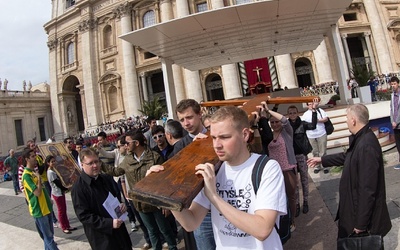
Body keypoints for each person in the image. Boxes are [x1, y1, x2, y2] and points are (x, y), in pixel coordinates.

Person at [148, 106, 287, 249]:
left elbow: (262, 229)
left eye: (225, 137)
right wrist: (165, 191)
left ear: (245, 135)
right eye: (213, 138)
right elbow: (191, 222)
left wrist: (214, 197)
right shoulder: (214, 169)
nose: (217, 145)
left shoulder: (267, 168)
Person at [307, 104, 392, 241]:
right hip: (353, 209)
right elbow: (348, 157)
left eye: (347, 118)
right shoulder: (361, 138)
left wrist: (360, 224)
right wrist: (322, 159)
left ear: (353, 120)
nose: (346, 121)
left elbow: (367, 189)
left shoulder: (366, 145)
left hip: (361, 218)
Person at [104, 130, 177, 250]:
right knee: (152, 231)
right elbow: (116, 171)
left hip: (156, 202)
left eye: (127, 143)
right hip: (140, 203)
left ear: (136, 143)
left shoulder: (154, 157)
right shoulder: (128, 160)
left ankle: (173, 247)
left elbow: (164, 181)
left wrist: (165, 204)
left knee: (165, 230)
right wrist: (99, 164)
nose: (125, 146)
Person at [169, 99, 211, 250]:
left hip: (225, 206)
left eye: (189, 117)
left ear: (200, 114)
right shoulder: (179, 146)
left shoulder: (216, 136)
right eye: (181, 120)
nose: (186, 123)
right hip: (199, 212)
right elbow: (176, 176)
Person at [71, 148, 132, 250]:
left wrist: (121, 206)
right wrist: (109, 223)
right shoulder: (78, 188)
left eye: (96, 161)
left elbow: (116, 198)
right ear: (82, 164)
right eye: (90, 163)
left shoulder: (106, 178)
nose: (95, 166)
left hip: (120, 233)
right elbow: (84, 216)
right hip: (102, 239)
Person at [265, 103, 297, 232]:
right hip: (274, 172)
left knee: (291, 196)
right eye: (272, 122)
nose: (275, 124)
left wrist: (268, 111)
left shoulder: (287, 132)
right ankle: (280, 222)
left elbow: (284, 120)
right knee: (277, 198)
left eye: (276, 122)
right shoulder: (268, 135)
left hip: (287, 169)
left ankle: (292, 221)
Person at [21, 149, 59, 250]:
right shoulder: (26, 176)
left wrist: (49, 199)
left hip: (46, 207)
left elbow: (42, 188)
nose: (35, 159)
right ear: (27, 159)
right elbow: (37, 193)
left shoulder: (34, 172)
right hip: (39, 210)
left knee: (49, 237)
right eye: (33, 157)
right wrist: (38, 180)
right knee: (49, 239)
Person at [287, 98, 318, 216]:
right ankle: (296, 205)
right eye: (290, 113)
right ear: (288, 115)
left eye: (294, 112)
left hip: (301, 155)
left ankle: (305, 202)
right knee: (295, 182)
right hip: (291, 156)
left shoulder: (303, 123)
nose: (292, 115)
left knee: (305, 179)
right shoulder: (286, 125)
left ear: (297, 113)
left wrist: (314, 111)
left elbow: (313, 125)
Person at [46, 155, 77, 234]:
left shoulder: (53, 170)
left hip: (60, 192)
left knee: (64, 210)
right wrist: (66, 188)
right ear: (48, 163)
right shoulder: (50, 172)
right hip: (57, 193)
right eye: (52, 162)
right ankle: (64, 227)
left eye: (54, 161)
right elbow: (57, 183)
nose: (53, 163)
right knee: (61, 211)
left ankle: (67, 225)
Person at [301, 102, 329, 174]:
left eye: (312, 104)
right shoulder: (305, 114)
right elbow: (303, 124)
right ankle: (317, 165)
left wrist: (318, 121)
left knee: (323, 150)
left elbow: (326, 119)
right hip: (311, 135)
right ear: (307, 106)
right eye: (309, 104)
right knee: (315, 151)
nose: (311, 105)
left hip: (321, 133)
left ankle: (324, 165)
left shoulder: (320, 110)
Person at [390, 76, 400, 170]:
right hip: (395, 125)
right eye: (392, 84)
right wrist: (392, 120)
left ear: (398, 84)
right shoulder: (392, 95)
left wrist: (396, 121)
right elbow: (391, 109)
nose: (393, 86)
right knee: (398, 144)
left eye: (394, 84)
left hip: (398, 123)